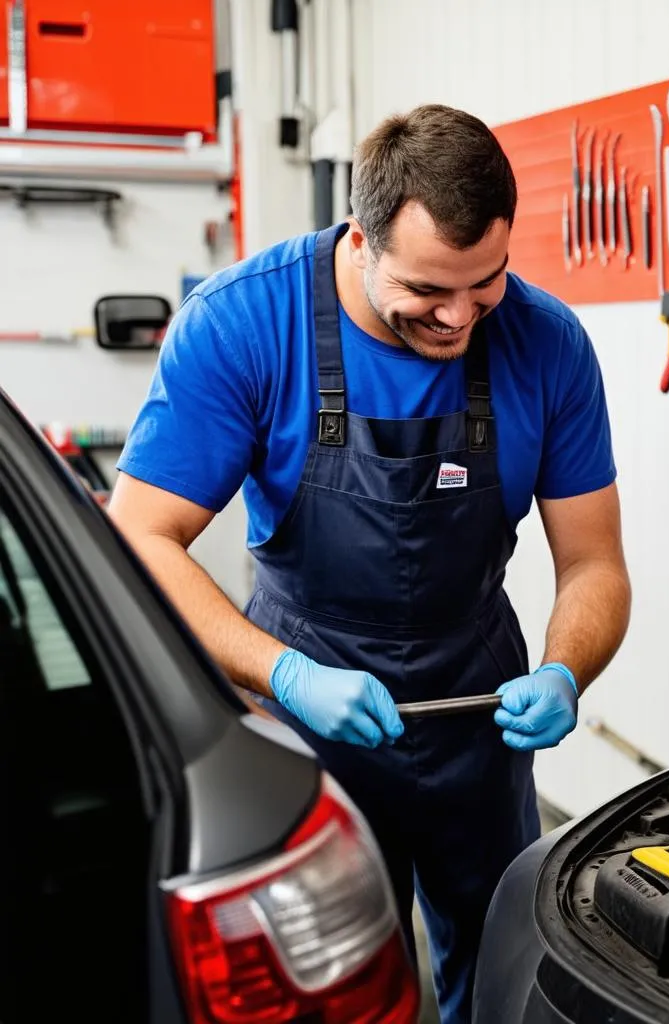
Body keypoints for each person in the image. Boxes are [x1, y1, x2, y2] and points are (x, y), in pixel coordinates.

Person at [107, 103, 631, 1023]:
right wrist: (286, 673)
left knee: (504, 957)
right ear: (361, 239)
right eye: (430, 291)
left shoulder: (547, 343)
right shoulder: (242, 325)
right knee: (331, 973)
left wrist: (564, 670)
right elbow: (141, 540)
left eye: (487, 283)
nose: (461, 316)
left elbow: (595, 564)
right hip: (308, 702)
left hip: (479, 703)